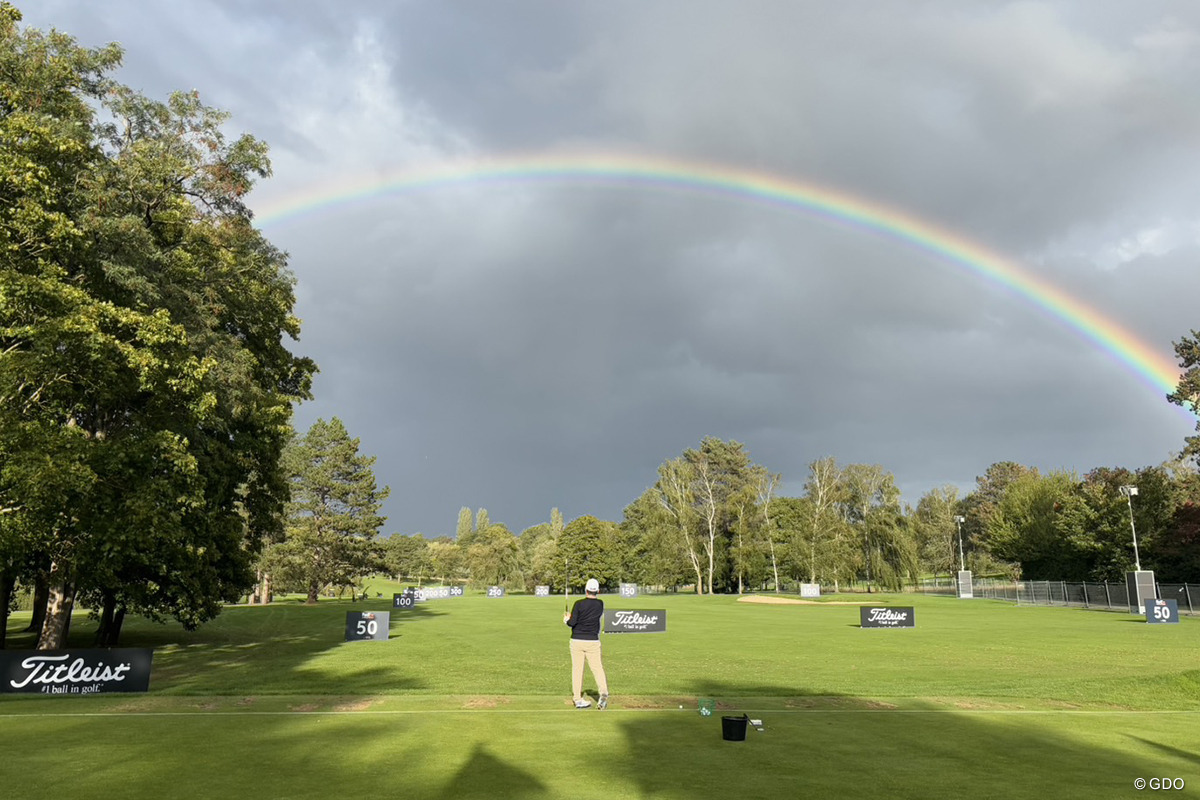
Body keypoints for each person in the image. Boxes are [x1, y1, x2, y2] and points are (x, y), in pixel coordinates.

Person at [563, 577, 609, 709]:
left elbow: (572, 623)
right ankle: (604, 692)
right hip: (593, 641)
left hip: (577, 640)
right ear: (598, 591)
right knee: (597, 668)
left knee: (577, 669)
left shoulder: (578, 604)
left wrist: (567, 619)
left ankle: (577, 699)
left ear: (586, 589)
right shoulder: (600, 604)